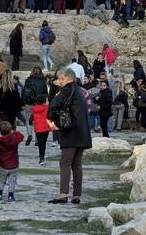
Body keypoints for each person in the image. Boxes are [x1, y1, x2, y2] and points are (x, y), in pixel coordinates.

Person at [47, 68, 92, 204]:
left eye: (61, 79)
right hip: (82, 132)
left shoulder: (67, 90)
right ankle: (76, 195)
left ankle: (63, 194)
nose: (59, 81)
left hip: (71, 132)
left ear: (68, 78)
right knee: (77, 165)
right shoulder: (79, 90)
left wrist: (51, 120)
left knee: (65, 163)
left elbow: (53, 105)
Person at [30, 96, 51, 165]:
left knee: (40, 143)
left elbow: (31, 118)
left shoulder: (34, 108)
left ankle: (41, 157)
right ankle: (42, 156)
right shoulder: (46, 108)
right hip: (45, 128)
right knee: (44, 142)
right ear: (43, 101)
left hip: (38, 128)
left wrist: (31, 121)